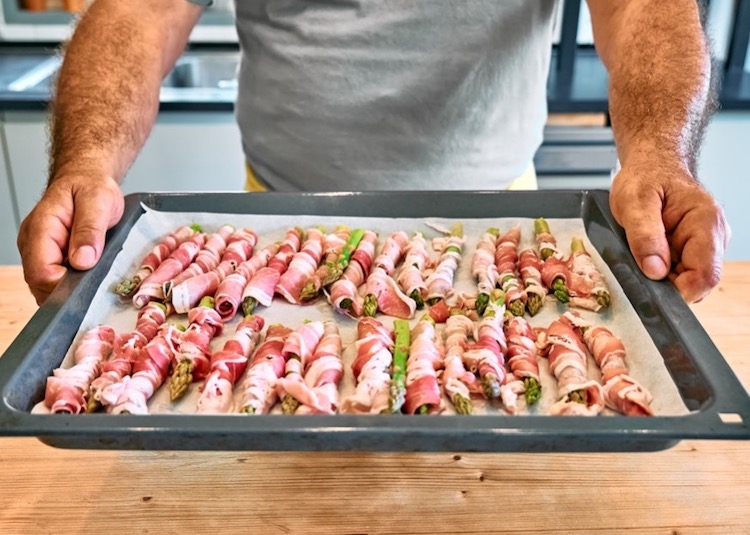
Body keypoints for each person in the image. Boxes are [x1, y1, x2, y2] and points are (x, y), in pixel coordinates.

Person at [17, 0, 730, 305]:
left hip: (506, 228)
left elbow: (640, 5)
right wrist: (88, 161)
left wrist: (661, 151)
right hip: (279, 228)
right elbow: (143, 10)